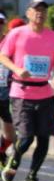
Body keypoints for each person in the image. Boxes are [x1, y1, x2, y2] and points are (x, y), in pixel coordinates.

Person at [0, 0, 54, 181]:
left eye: (43, 10)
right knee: (27, 136)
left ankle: (32, 177)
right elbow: (2, 55)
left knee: (44, 138)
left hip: (45, 91)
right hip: (21, 91)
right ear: (28, 13)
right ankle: (13, 163)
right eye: (36, 10)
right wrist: (16, 69)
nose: (40, 13)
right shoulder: (16, 34)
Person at [0, 11, 14, 164]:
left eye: (0, 23)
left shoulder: (11, 43)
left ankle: (1, 152)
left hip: (7, 94)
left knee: (11, 137)